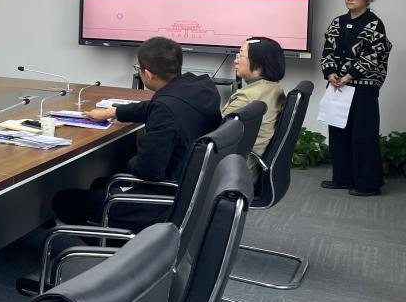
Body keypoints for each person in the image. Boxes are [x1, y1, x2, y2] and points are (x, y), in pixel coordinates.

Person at [51, 36, 222, 226]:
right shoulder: (200, 86)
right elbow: (154, 106)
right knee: (100, 183)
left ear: (147, 74)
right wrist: (113, 112)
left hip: (161, 201)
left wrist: (130, 161)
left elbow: (149, 170)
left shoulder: (164, 110)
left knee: (63, 200)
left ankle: (90, 241)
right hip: (191, 190)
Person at [320, 0, 391, 197]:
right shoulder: (337, 22)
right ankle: (343, 178)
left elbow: (373, 54)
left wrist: (349, 75)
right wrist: (330, 72)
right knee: (338, 132)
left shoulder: (374, 23)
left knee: (363, 135)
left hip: (363, 87)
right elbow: (328, 49)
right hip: (338, 85)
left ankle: (368, 184)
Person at [222, 37, 286, 183]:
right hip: (249, 165)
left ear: (259, 65)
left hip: (233, 171)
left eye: (241, 55)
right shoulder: (274, 88)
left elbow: (214, 134)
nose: (235, 61)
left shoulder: (247, 98)